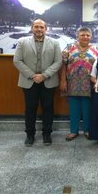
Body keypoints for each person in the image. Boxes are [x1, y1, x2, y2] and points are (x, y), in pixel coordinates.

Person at [13, 19, 62, 147]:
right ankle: (30, 135)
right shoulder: (22, 42)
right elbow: (17, 61)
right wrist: (33, 75)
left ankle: (47, 134)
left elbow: (58, 62)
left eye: (41, 27)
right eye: (36, 27)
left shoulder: (55, 43)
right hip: (29, 81)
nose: (39, 29)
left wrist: (44, 75)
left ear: (46, 29)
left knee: (48, 108)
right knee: (30, 109)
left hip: (49, 81)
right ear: (32, 28)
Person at [60, 27, 98, 141]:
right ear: (77, 35)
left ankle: (87, 130)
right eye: (83, 35)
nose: (85, 37)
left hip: (90, 83)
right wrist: (63, 80)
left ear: (91, 37)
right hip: (72, 83)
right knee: (74, 108)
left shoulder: (97, 49)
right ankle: (73, 131)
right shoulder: (69, 47)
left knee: (88, 109)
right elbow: (63, 64)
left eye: (88, 35)